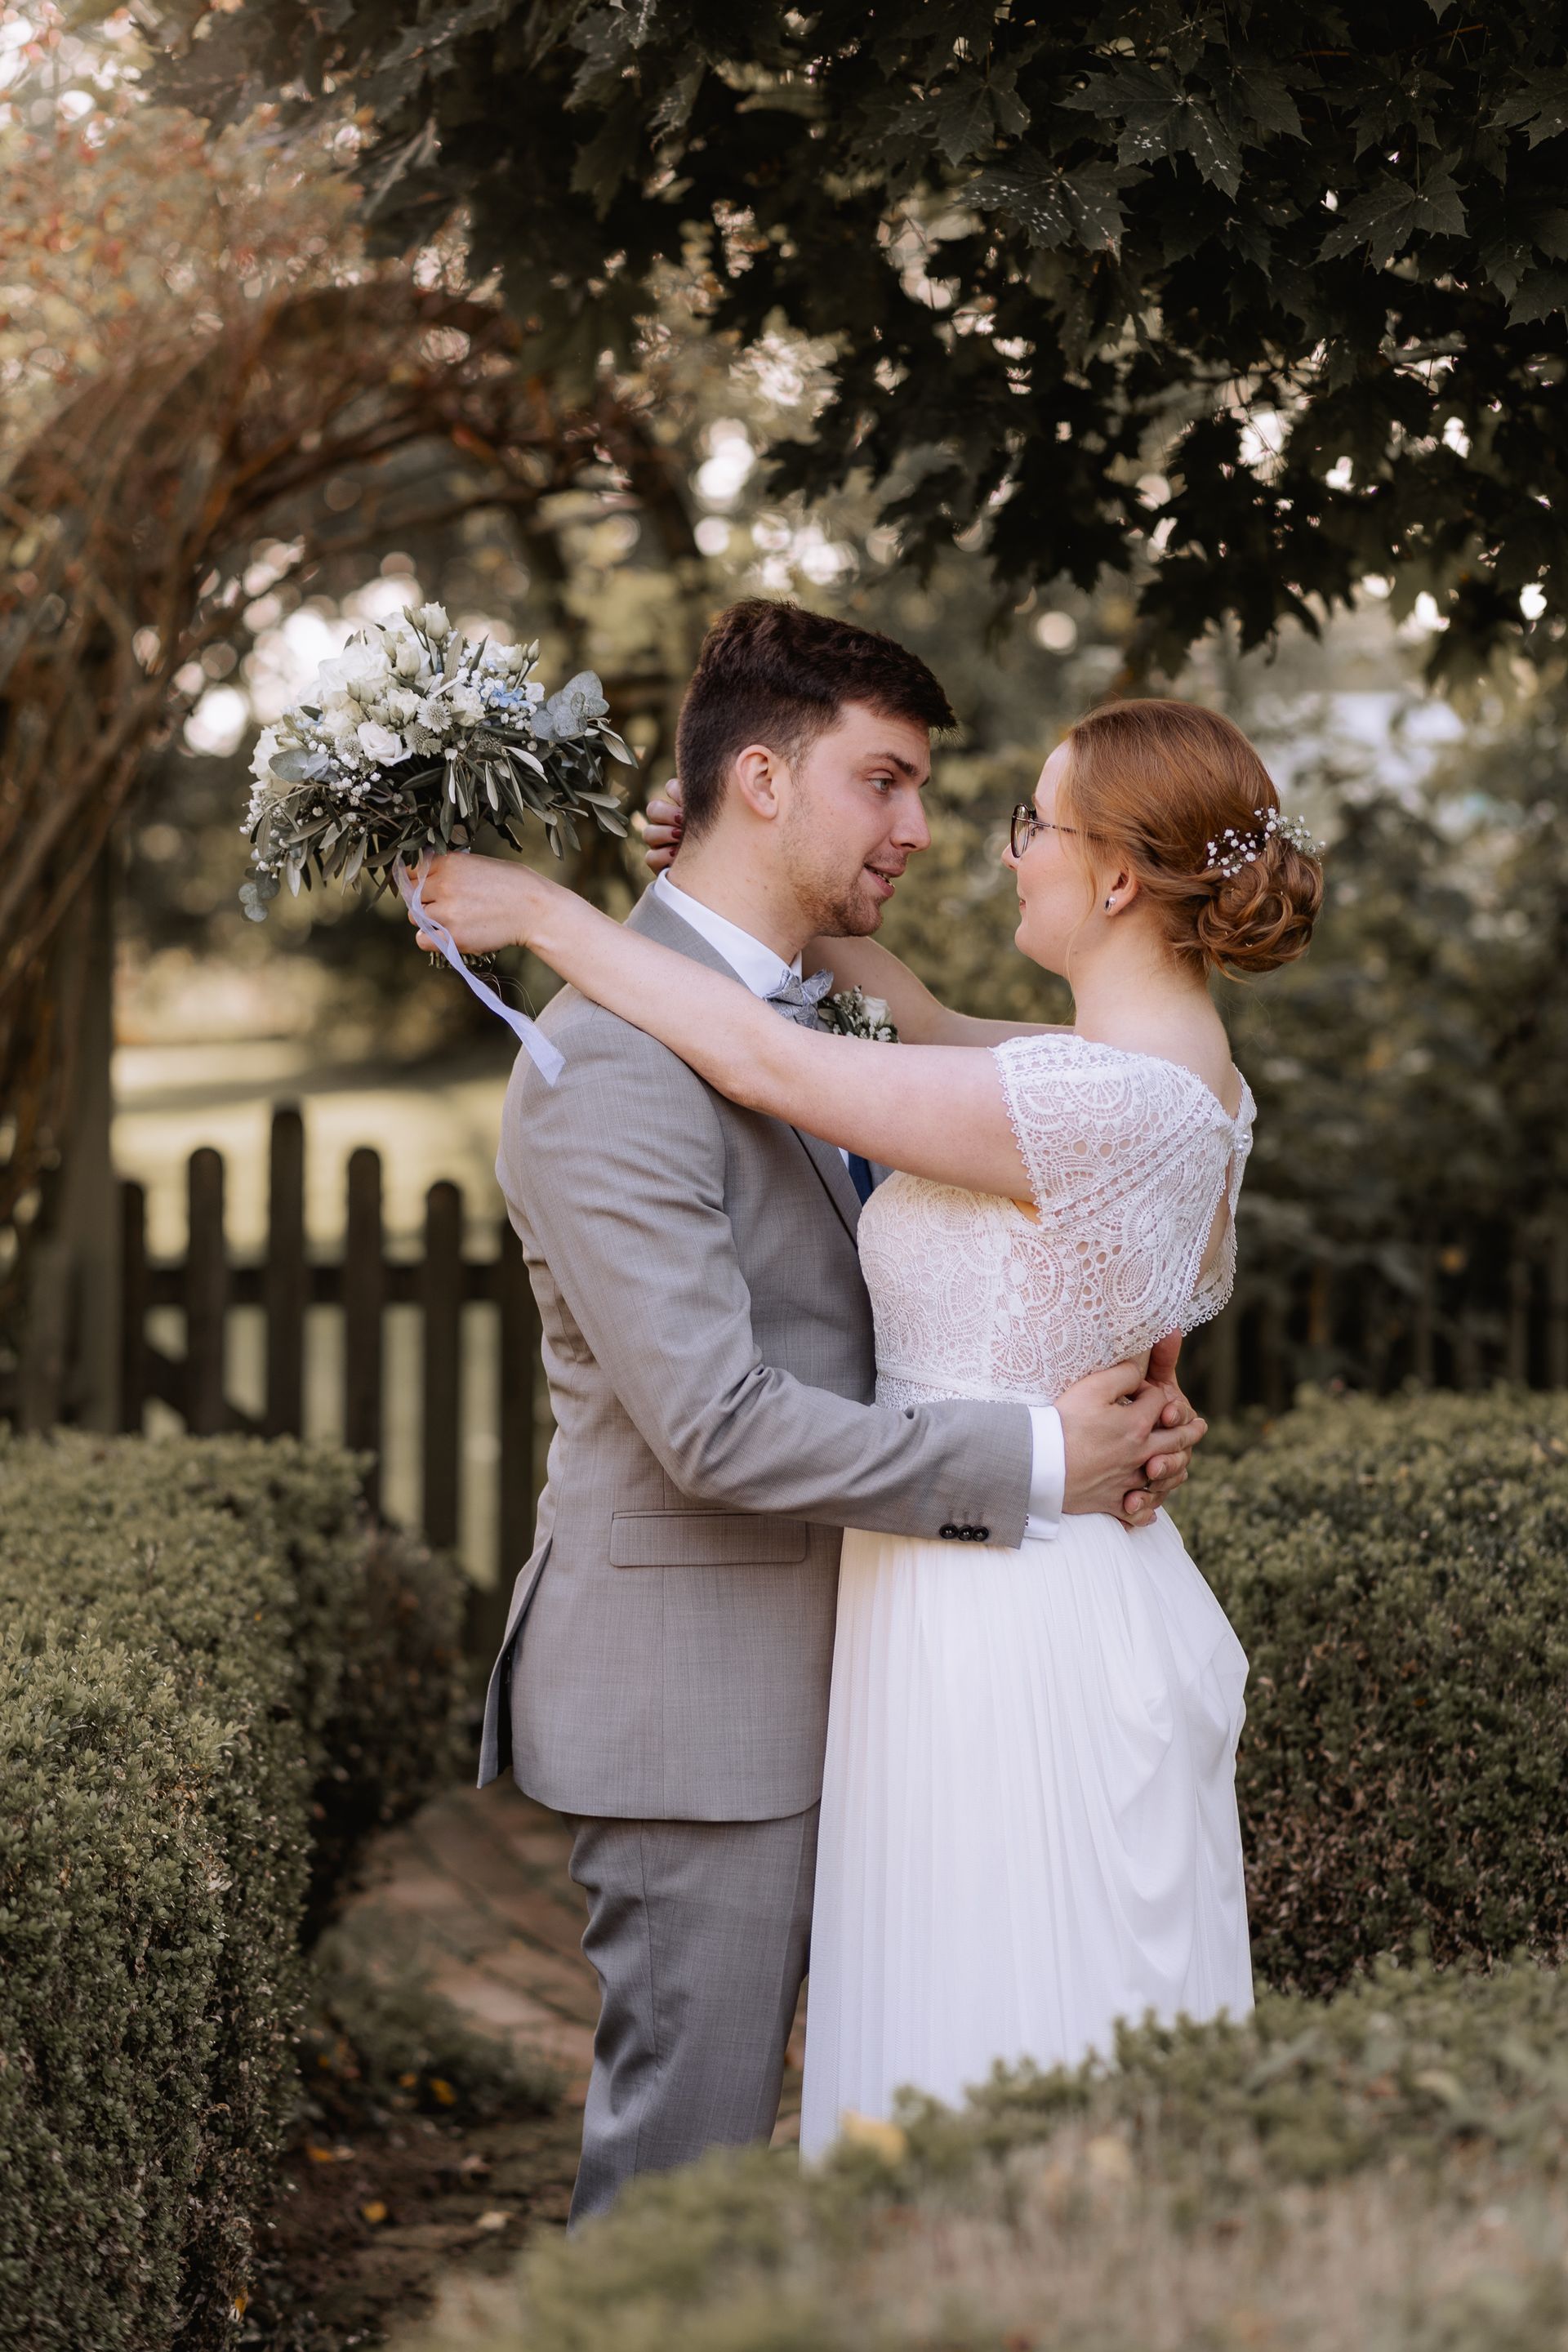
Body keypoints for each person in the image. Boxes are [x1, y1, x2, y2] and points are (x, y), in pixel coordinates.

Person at [450, 602, 1215, 2215]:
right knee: (683, 2190)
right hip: (700, 1711)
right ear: (764, 781)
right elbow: (716, 1425)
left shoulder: (822, 1012)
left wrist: (1118, 1375)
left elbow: (1065, 1165)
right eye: (885, 781)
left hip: (897, 1676)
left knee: (898, 2139)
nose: (925, 830)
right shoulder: (606, 1067)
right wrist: (1036, 1450)